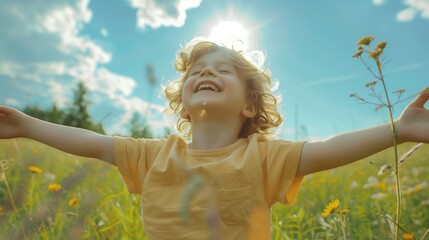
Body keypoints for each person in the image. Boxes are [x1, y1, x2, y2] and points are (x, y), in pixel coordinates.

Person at [0, 39, 428, 240]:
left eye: (222, 71)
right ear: (184, 105)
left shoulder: (261, 158)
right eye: (196, 72)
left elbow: (327, 151)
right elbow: (90, 141)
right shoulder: (153, 156)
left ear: (248, 106)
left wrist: (399, 130)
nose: (206, 73)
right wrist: (24, 125)